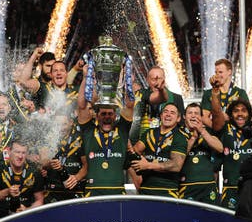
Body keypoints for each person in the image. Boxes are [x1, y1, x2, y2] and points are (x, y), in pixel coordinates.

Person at [77, 66, 134, 197]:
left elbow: (130, 105)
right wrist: (86, 77)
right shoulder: (89, 131)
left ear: (115, 116)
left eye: (110, 114)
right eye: (103, 114)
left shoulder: (122, 130)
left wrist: (127, 80)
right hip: (93, 192)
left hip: (117, 192)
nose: (107, 117)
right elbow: (82, 106)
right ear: (97, 116)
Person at [131, 103, 188, 198]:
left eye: (172, 113)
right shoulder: (149, 133)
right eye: (165, 111)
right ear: (161, 116)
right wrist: (136, 177)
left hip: (167, 191)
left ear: (178, 119)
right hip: (145, 190)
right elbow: (133, 153)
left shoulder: (180, 137)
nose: (168, 114)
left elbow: (176, 165)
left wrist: (148, 165)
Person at [0, 139, 45, 220]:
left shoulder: (34, 172)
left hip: (24, 218)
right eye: (17, 152)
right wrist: (8, 192)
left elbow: (39, 200)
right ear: (9, 151)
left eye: (23, 153)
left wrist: (27, 210)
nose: (20, 156)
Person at [214, 99, 252, 210]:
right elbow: (216, 167)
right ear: (230, 115)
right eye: (236, 111)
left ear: (249, 113)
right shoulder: (224, 131)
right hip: (230, 189)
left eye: (243, 110)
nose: (240, 114)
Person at [179, 103, 223, 203]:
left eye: (196, 113)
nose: (193, 115)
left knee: (211, 217)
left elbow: (220, 148)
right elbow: (178, 157)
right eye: (190, 113)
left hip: (208, 187)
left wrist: (202, 131)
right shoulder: (178, 133)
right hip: (186, 186)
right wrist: (193, 138)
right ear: (184, 116)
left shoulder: (207, 132)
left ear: (201, 117)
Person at [130, 66, 184, 143]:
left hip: (167, 143)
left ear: (164, 79)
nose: (157, 83)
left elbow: (181, 124)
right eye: (153, 79)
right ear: (147, 80)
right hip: (142, 141)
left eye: (160, 79)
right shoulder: (141, 95)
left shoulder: (176, 98)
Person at [43, 114, 87, 202]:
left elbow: (87, 165)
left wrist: (76, 178)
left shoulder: (80, 138)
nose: (61, 128)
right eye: (57, 124)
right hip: (53, 190)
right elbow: (43, 164)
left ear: (71, 122)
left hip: (75, 190)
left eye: (64, 124)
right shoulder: (49, 138)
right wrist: (50, 164)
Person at [201, 58, 250, 129]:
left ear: (229, 72)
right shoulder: (208, 93)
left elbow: (247, 115)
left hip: (235, 133)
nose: (217, 75)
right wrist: (217, 128)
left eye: (220, 72)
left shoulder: (240, 93)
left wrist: (229, 119)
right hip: (215, 133)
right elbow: (204, 117)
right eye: (216, 72)